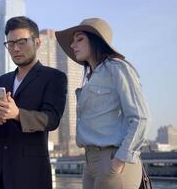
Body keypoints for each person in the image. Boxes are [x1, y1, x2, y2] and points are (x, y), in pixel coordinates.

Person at [55, 18, 150, 189]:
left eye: (79, 39)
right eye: (72, 41)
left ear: (96, 40)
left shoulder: (117, 68)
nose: (73, 45)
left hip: (112, 161)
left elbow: (141, 118)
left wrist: (119, 162)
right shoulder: (90, 78)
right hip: (89, 162)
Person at [0, 16, 67, 189]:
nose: (15, 48)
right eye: (10, 44)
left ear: (37, 43)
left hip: (29, 173)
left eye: (22, 42)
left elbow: (52, 119)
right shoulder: (1, 80)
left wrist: (17, 114)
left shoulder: (54, 77)